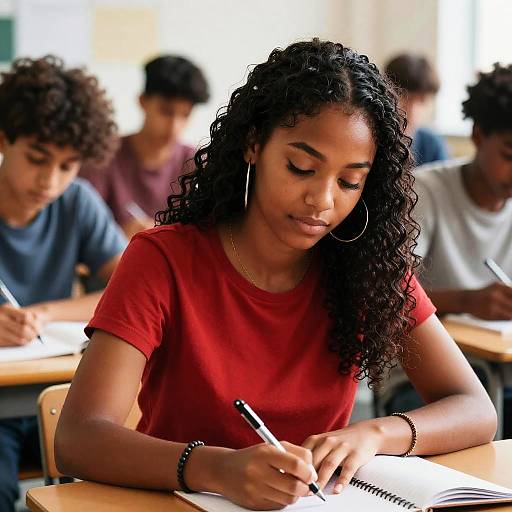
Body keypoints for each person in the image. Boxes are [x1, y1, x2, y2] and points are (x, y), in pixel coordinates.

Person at [55, 40, 496, 511]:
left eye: (350, 181)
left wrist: (375, 432)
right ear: (254, 144)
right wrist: (216, 468)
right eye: (301, 167)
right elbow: (79, 437)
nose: (323, 200)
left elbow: (475, 409)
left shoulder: (367, 266)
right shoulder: (163, 259)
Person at [0, 56, 126, 512]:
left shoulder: (77, 202)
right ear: (3, 139)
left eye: (68, 166)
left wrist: (47, 312)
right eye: (37, 160)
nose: (50, 181)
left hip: (57, 391)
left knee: (102, 477)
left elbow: (123, 289)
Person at [411, 63, 512, 437]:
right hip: (423, 378)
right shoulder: (425, 192)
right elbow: (386, 294)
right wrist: (468, 300)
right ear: (478, 134)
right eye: (510, 155)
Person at [80, 55, 210, 238]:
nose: (175, 126)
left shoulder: (197, 165)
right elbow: (81, 232)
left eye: (185, 115)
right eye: (166, 111)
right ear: (142, 101)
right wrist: (117, 238)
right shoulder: (103, 157)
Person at [385, 53, 449, 167]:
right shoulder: (373, 140)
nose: (412, 110)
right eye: (405, 97)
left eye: (421, 101)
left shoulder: (432, 144)